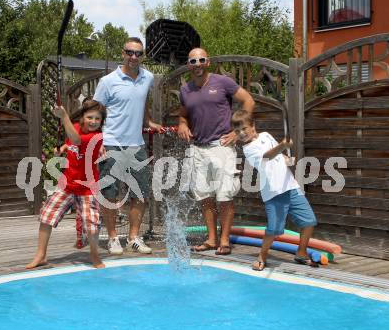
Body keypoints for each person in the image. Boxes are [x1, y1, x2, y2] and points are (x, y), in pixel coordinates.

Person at [178, 48, 255, 255]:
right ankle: (211, 239)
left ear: (208, 62)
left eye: (201, 60)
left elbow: (248, 100)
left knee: (224, 196)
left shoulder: (223, 82)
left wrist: (238, 133)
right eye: (193, 61)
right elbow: (184, 114)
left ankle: (224, 240)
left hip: (221, 147)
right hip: (198, 149)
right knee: (204, 196)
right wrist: (182, 124)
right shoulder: (186, 90)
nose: (198, 64)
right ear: (188, 65)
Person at [93, 37, 162, 255]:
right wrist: (98, 139)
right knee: (110, 194)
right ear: (122, 53)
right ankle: (113, 238)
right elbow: (95, 112)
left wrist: (148, 122)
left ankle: (133, 237)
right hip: (111, 144)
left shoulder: (147, 77)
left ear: (143, 56)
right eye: (129, 52)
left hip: (136, 146)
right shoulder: (108, 81)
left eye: (138, 53)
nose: (133, 57)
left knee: (140, 193)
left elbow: (142, 101)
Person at [231, 109, 318, 271]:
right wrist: (282, 146)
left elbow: (276, 154)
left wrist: (286, 157)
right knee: (275, 229)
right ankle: (262, 256)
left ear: (253, 126)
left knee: (309, 221)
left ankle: (301, 253)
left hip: (290, 186)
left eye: (244, 129)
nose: (241, 133)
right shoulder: (248, 149)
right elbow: (267, 156)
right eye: (237, 131)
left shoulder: (266, 135)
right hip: (273, 192)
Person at [26, 99, 106, 269]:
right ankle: (41, 255)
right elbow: (70, 142)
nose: (93, 121)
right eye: (90, 117)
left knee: (91, 225)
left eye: (97, 119)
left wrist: (63, 116)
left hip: (87, 189)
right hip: (67, 185)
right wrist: (62, 149)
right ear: (82, 118)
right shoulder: (75, 127)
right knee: (46, 216)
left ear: (101, 122)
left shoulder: (97, 137)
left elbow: (76, 140)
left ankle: (94, 254)